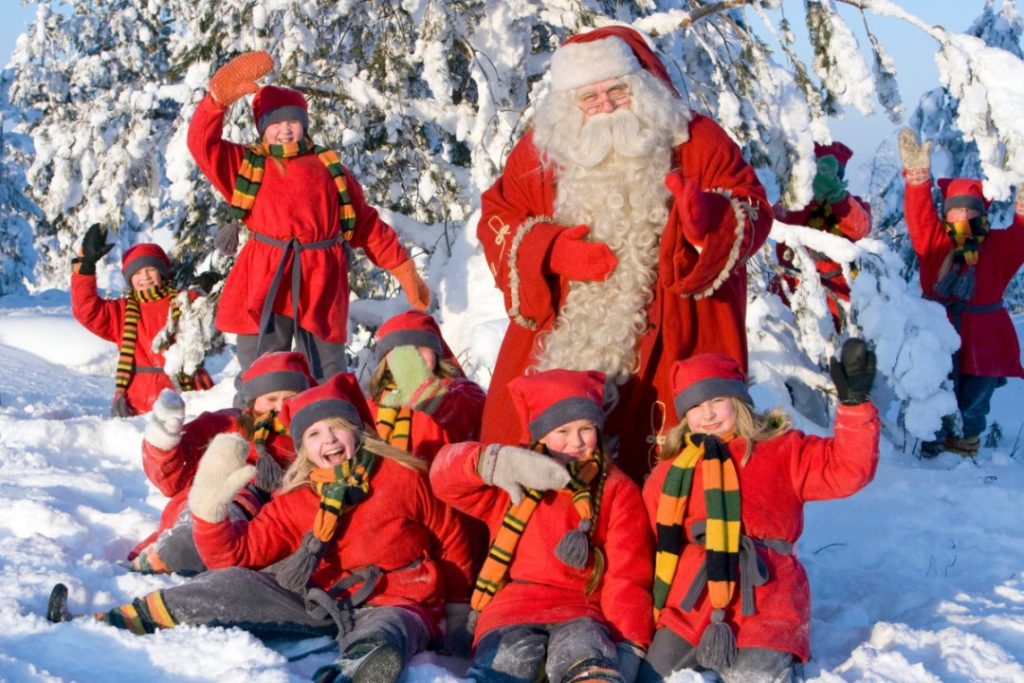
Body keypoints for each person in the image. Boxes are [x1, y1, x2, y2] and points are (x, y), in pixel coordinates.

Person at [477, 26, 772, 482]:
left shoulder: (695, 138)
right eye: (589, 99)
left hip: (674, 338)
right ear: (568, 107)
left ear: (642, 88)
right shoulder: (542, 153)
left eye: (617, 91)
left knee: (675, 476)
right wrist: (551, 251)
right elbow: (498, 217)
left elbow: (751, 205)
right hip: (564, 338)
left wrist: (707, 221)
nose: (607, 106)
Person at [48, 373, 473, 683]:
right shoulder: (298, 497)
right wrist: (210, 509)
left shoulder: (402, 476)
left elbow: (451, 539)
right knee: (230, 584)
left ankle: (356, 669)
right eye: (315, 434)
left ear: (358, 431)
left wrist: (456, 612)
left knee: (390, 629)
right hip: (318, 595)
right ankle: (109, 622)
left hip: (400, 596)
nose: (329, 441)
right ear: (304, 447)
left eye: (338, 428)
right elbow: (235, 556)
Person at [187, 50, 431, 393]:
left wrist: (402, 267)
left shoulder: (331, 170)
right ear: (261, 128)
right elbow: (201, 145)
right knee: (261, 372)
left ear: (304, 124)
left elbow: (366, 225)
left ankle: (330, 431)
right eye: (275, 123)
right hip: (265, 280)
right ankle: (258, 438)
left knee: (325, 372)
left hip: (320, 281)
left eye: (292, 121)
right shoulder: (244, 164)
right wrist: (216, 101)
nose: (285, 130)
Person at [636, 342, 879, 683]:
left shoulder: (782, 449)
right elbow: (646, 537)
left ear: (738, 401)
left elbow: (847, 469)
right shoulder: (672, 470)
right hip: (693, 599)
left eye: (716, 400)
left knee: (757, 675)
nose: (707, 414)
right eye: (696, 407)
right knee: (652, 676)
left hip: (767, 595)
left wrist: (855, 408)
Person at [430, 369, 654, 683]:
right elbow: (444, 479)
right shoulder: (514, 476)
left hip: (581, 609)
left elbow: (627, 576)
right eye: (562, 431)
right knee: (506, 664)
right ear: (542, 434)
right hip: (511, 608)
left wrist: (628, 644)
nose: (576, 442)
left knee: (585, 653)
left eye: (586, 428)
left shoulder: (616, 489)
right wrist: (492, 463)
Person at [129, 351, 315, 575]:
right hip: (208, 501)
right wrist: (164, 441)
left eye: (290, 398)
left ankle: (186, 550)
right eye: (272, 400)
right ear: (254, 401)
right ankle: (176, 545)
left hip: (261, 525)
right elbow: (172, 479)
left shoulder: (310, 436)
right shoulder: (227, 424)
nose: (280, 407)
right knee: (216, 506)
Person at [898, 129, 1024, 456]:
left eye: (971, 212)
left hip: (986, 338)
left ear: (982, 215)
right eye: (956, 211)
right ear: (946, 215)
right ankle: (931, 445)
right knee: (936, 390)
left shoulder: (997, 247)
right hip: (940, 333)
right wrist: (917, 179)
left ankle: (967, 446)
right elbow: (918, 216)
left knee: (976, 398)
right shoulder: (935, 243)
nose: (964, 217)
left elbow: (1023, 231)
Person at [71, 224, 213, 417]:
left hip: (188, 392)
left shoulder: (184, 301)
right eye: (136, 273)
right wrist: (85, 265)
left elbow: (214, 322)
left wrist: (208, 293)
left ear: (161, 272)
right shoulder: (121, 311)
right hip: (138, 400)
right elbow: (86, 310)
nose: (144, 277)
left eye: (150, 270)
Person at [772, 142, 872, 330]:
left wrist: (837, 197)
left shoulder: (852, 204)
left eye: (832, 175)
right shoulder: (790, 203)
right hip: (790, 303)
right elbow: (779, 224)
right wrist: (808, 197)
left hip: (837, 307)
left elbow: (860, 227)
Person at [367, 310, 486, 464]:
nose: (414, 358)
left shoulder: (460, 390)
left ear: (435, 353)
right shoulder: (373, 406)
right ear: (387, 363)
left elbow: (472, 419)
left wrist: (431, 395)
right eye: (404, 353)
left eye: (421, 348)